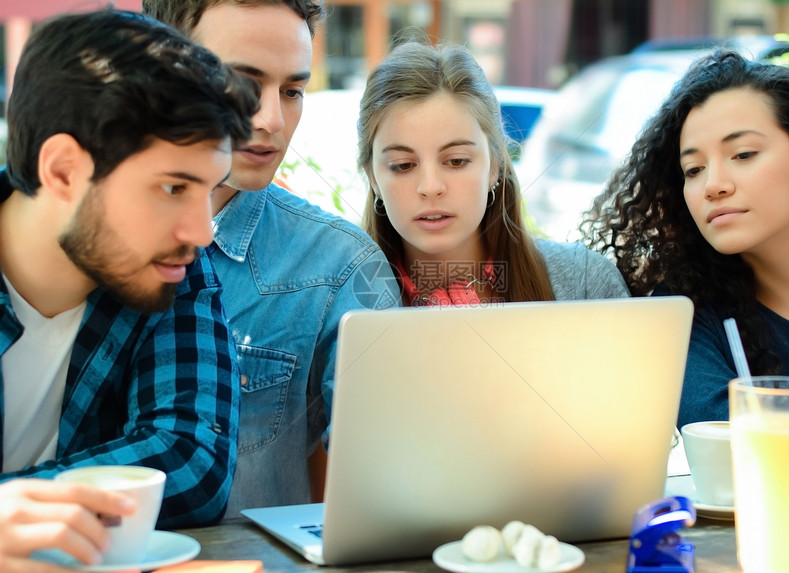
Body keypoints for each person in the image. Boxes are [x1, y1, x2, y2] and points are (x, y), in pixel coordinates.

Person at [0, 8, 258, 569]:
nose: (202, 231)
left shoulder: (171, 267)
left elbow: (191, 459)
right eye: (172, 187)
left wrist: (18, 509)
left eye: (209, 190)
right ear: (65, 171)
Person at [142, 0, 400, 516]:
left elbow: (392, 483)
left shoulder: (339, 267)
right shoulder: (71, 237)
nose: (272, 119)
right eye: (242, 82)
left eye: (293, 91)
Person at [580, 50, 789, 464]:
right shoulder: (687, 305)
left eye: (743, 154)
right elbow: (717, 428)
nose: (713, 186)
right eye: (693, 170)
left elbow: (769, 428)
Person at [359, 41, 628, 305]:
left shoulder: (583, 286)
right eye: (403, 165)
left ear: (495, 166)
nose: (430, 186)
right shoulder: (338, 303)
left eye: (456, 161)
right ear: (373, 178)